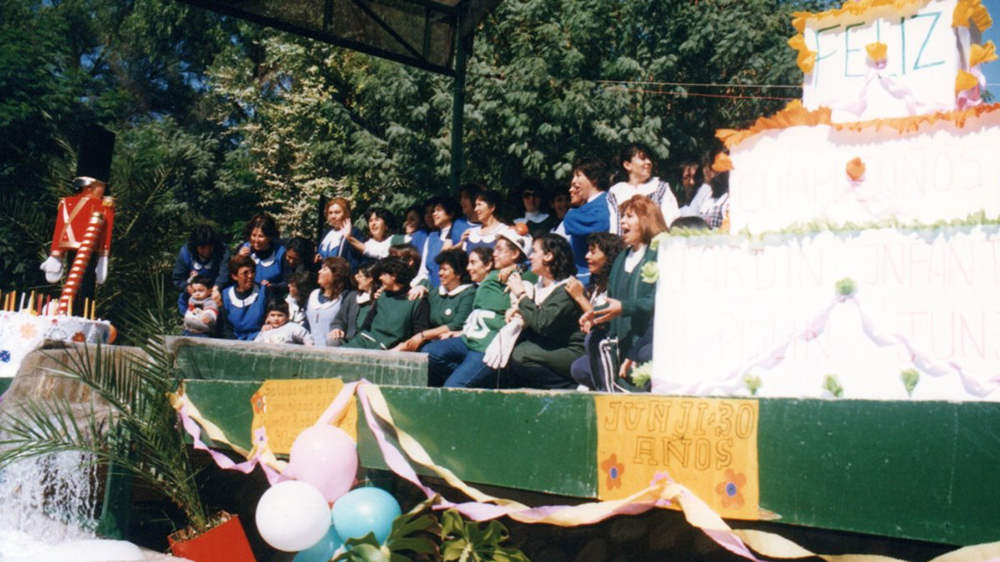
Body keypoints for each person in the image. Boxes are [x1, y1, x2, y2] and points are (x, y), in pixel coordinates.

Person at [571, 195, 667, 391]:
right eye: (622, 216)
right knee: (580, 366)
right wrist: (596, 316)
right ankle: (611, 393)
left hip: (648, 341)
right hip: (621, 342)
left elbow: (661, 302)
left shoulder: (659, 253)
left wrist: (625, 308)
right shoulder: (621, 258)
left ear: (646, 219)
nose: (622, 221)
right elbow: (611, 302)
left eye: (630, 216)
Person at [425, 231, 530, 388]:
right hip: (468, 339)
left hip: (487, 346)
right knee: (430, 353)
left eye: (499, 249)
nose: (494, 254)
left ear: (515, 253)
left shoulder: (521, 276)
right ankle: (482, 383)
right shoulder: (492, 275)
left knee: (453, 386)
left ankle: (471, 381)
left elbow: (532, 273)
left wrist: (517, 267)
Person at [500, 233, 586, 389]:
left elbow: (543, 323)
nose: (530, 257)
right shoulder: (541, 284)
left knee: (521, 355)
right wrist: (519, 311)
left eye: (534, 252)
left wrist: (521, 295)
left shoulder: (567, 289)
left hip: (572, 351)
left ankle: (569, 387)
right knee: (507, 349)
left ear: (548, 256)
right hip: (550, 345)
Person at [396, 249, 475, 351]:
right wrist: (420, 289)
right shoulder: (436, 292)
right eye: (439, 269)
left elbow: (456, 325)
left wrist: (423, 335)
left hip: (452, 342)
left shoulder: (468, 293)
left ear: (458, 273)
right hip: (430, 339)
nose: (440, 273)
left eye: (445, 269)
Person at [343, 257, 429, 350]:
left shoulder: (417, 301)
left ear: (394, 275)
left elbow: (418, 336)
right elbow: (366, 325)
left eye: (383, 274)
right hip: (364, 343)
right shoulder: (382, 296)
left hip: (390, 350)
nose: (380, 278)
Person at [607, 143, 680, 235]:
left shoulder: (660, 189)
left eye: (650, 159)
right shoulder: (615, 193)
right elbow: (613, 227)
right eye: (643, 158)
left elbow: (671, 221)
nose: (649, 162)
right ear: (627, 165)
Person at [559, 157, 611, 284]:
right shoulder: (589, 206)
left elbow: (571, 222)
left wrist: (571, 215)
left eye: (578, 175)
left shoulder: (603, 203)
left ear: (594, 178)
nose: (574, 181)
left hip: (589, 276)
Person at [564, 232, 627, 317]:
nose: (587, 256)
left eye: (593, 252)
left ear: (609, 257)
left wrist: (580, 297)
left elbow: (603, 319)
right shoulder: (598, 284)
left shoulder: (617, 284)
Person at [172, 224, 230, 315]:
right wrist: (188, 288)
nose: (207, 251)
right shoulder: (185, 253)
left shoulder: (222, 250)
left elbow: (224, 273)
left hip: (216, 294)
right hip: (193, 298)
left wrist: (216, 288)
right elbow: (178, 278)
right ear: (195, 246)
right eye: (202, 247)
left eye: (210, 246)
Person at [414, 196, 461, 289]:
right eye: (433, 211)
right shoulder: (432, 237)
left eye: (438, 210)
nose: (434, 214)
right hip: (432, 291)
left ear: (451, 214)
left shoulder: (459, 236)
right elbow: (423, 271)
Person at [305, 257, 353, 347]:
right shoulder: (313, 295)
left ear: (336, 274)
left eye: (324, 269)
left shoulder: (345, 298)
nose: (319, 272)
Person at [220, 254, 269, 341]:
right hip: (234, 341)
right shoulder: (226, 295)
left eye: (252, 272)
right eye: (245, 273)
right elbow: (226, 327)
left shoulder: (264, 291)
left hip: (260, 338)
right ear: (235, 276)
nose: (250, 276)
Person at [328, 263, 377, 346]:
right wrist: (337, 328)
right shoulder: (352, 297)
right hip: (349, 341)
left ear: (370, 279)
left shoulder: (380, 299)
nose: (356, 277)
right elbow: (339, 319)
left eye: (360, 276)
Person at [237, 213, 286, 291]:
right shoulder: (243, 248)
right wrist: (239, 259)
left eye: (261, 236)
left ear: (270, 237)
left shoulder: (281, 253)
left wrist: (272, 286)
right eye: (253, 235)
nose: (256, 240)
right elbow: (233, 277)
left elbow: (287, 282)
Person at [317, 197, 365, 268]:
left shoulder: (355, 233)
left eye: (337, 212)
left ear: (347, 214)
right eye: (330, 213)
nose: (333, 216)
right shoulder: (326, 233)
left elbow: (358, 258)